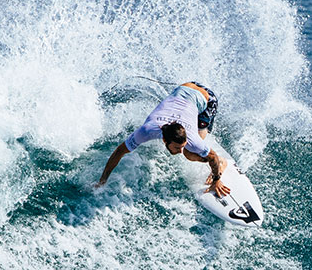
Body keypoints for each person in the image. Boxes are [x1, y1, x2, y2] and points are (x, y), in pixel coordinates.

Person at [97, 81, 231, 197]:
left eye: (182, 146)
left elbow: (212, 156)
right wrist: (102, 181)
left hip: (207, 100)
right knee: (189, 152)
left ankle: (222, 163)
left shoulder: (191, 139)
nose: (180, 150)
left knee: (190, 153)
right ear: (165, 140)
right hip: (186, 89)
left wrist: (216, 180)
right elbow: (119, 152)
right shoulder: (146, 130)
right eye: (177, 147)